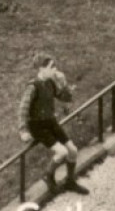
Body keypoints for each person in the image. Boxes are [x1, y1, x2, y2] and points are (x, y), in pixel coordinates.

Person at [20, 52, 85, 201]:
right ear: (42, 69)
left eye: (54, 66)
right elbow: (23, 109)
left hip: (50, 122)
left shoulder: (50, 83)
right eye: (51, 67)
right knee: (62, 152)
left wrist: (63, 83)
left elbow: (66, 98)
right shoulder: (33, 87)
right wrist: (23, 131)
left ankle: (70, 181)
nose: (55, 69)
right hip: (38, 127)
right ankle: (47, 175)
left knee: (72, 150)